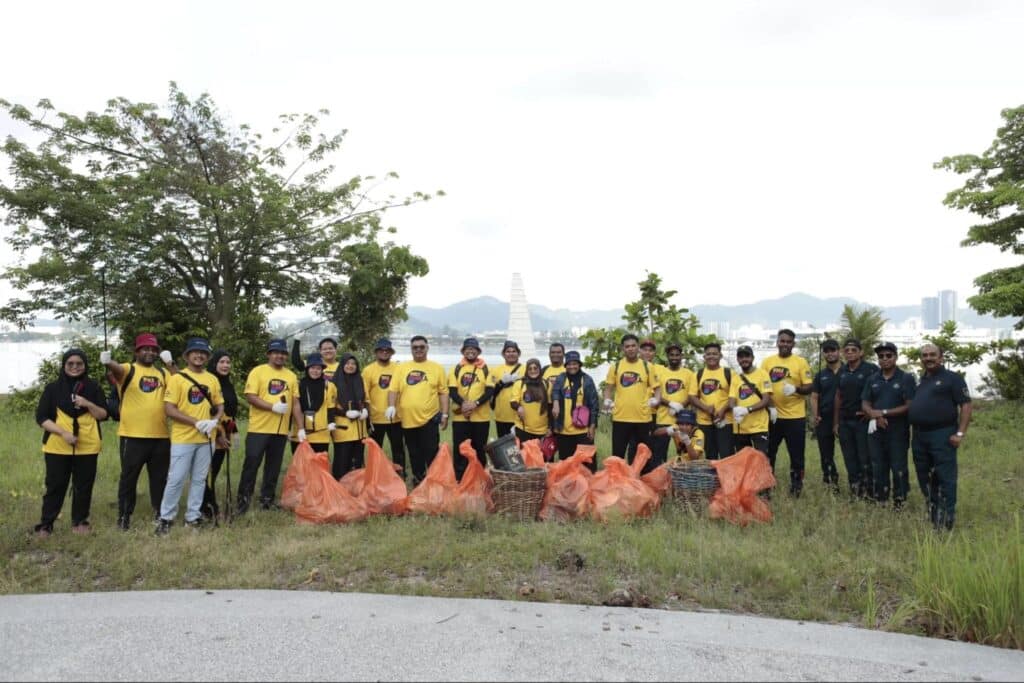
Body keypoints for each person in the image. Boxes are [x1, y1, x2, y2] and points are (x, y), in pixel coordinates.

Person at [100, 332, 177, 530]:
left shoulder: (162, 373)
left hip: (160, 436)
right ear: (137, 351)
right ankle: (124, 517)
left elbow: (181, 382)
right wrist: (108, 362)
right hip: (132, 436)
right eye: (146, 349)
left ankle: (161, 514)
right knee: (128, 478)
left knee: (160, 479)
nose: (150, 352)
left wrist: (170, 363)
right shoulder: (129, 369)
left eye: (153, 349)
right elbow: (116, 370)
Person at [34, 348, 108, 537]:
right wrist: (64, 433)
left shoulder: (93, 387)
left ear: (85, 365)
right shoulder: (53, 388)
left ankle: (80, 521)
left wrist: (87, 403)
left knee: (83, 486)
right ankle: (46, 524)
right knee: (55, 486)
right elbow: (41, 418)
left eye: (79, 364)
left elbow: (103, 415)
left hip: (88, 446)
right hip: (57, 446)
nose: (75, 367)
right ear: (64, 365)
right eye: (70, 364)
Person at [156, 337, 224, 535]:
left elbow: (219, 405)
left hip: (207, 439)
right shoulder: (178, 378)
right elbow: (169, 408)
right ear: (187, 356)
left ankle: (192, 517)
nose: (199, 355)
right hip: (183, 438)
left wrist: (215, 421)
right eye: (195, 352)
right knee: (176, 479)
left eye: (203, 353)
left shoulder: (212, 379)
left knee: (199, 480)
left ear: (207, 357)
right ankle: (166, 518)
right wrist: (195, 422)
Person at [908, 343, 972, 530]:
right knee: (925, 477)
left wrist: (960, 433)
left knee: (945, 477)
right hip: (919, 436)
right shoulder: (921, 381)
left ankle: (946, 520)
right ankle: (934, 514)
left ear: (941, 357)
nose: (928, 358)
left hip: (942, 435)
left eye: (932, 355)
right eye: (925, 355)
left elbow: (966, 406)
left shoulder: (952, 379)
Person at [237, 338, 302, 514]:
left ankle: (267, 500)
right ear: (269, 354)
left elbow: (295, 403)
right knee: (251, 466)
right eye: (276, 352)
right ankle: (243, 502)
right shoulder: (258, 372)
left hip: (280, 431)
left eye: (283, 353)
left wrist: (301, 427)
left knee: (273, 468)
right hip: (259, 429)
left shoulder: (291, 376)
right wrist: (272, 406)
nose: (279, 356)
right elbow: (251, 396)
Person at [387, 335, 449, 485]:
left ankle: (434, 481)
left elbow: (443, 392)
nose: (418, 350)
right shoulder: (401, 368)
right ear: (411, 349)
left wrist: (445, 414)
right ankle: (418, 479)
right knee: (414, 453)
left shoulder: (437, 368)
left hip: (429, 418)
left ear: (427, 348)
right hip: (407, 419)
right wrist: (391, 406)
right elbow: (393, 389)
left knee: (431, 451)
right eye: (415, 347)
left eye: (422, 347)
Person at [861, 342, 916, 508]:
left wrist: (883, 413)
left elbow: (909, 405)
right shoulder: (872, 379)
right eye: (881, 356)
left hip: (897, 431)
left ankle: (900, 501)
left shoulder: (906, 378)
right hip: (876, 430)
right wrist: (874, 415)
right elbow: (865, 403)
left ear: (895, 357)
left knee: (898, 466)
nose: (884, 359)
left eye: (888, 355)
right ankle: (881, 499)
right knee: (878, 465)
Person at [761, 329, 814, 496]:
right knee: (769, 453)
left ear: (793, 344)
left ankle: (796, 487)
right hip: (773, 417)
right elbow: (762, 386)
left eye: (788, 342)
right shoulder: (767, 362)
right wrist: (770, 406)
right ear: (777, 342)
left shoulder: (801, 362)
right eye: (782, 341)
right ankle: (767, 484)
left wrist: (796, 389)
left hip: (795, 418)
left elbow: (809, 387)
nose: (784, 344)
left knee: (796, 455)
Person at [603, 333, 661, 472]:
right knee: (618, 454)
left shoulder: (648, 366)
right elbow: (609, 388)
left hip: (643, 418)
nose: (630, 349)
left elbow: (657, 387)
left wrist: (656, 399)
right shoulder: (616, 366)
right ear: (623, 349)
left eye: (633, 345)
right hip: (620, 417)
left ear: (638, 348)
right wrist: (607, 400)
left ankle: (643, 484)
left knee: (643, 455)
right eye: (627, 346)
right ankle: (617, 483)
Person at [833, 338, 879, 499]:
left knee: (865, 458)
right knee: (849, 458)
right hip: (845, 421)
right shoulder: (842, 371)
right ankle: (856, 493)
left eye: (854, 350)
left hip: (863, 421)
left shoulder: (871, 369)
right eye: (847, 350)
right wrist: (836, 422)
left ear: (861, 352)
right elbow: (838, 396)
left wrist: (872, 413)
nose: (850, 353)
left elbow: (878, 392)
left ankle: (870, 493)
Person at [448, 337, 495, 480]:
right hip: (460, 417)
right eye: (468, 349)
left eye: (473, 349)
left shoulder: (486, 369)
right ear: (463, 351)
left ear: (478, 351)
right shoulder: (456, 369)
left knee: (479, 448)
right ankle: (460, 478)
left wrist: (475, 403)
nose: (470, 351)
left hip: (481, 418)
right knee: (460, 449)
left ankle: (480, 478)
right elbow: (452, 390)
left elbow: (489, 391)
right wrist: (464, 404)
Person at [201, 349, 238, 522]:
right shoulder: (209, 382)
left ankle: (208, 506)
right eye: (222, 362)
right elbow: (207, 411)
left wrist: (233, 434)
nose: (225, 365)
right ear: (214, 363)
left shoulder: (228, 383)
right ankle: (210, 509)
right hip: (211, 433)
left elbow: (231, 411)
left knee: (213, 474)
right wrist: (217, 436)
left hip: (226, 432)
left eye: (228, 362)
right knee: (204, 475)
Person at [649, 342, 697, 469]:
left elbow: (692, 394)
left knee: (684, 454)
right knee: (659, 456)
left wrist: (681, 406)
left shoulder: (689, 374)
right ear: (667, 356)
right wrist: (670, 403)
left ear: (681, 356)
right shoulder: (661, 373)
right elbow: (656, 393)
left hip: (683, 422)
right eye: (671, 355)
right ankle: (659, 483)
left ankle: (682, 482)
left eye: (677, 355)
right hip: (663, 419)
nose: (674, 357)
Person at [549, 350, 599, 471]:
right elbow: (555, 391)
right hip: (564, 430)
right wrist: (555, 403)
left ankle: (589, 487)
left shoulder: (587, 380)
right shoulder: (561, 378)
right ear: (565, 365)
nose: (572, 366)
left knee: (587, 463)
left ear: (579, 365)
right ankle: (568, 487)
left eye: (575, 363)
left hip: (582, 431)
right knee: (566, 465)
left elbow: (594, 404)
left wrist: (592, 426)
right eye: (569, 364)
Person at [362, 338, 405, 474]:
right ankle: (375, 474)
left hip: (396, 417)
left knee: (398, 448)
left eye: (387, 350)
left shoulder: (399, 368)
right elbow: (365, 395)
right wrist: (368, 417)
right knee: (375, 449)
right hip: (376, 418)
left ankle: (400, 473)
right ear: (376, 352)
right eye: (381, 350)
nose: (384, 352)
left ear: (391, 352)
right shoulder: (368, 370)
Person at [689, 342, 735, 460]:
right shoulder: (698, 374)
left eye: (715, 354)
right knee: (710, 456)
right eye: (708, 354)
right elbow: (692, 397)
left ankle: (727, 478)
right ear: (704, 357)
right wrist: (706, 408)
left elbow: (734, 396)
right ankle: (713, 479)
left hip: (725, 421)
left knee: (727, 455)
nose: (711, 356)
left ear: (720, 356)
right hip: (704, 422)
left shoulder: (729, 373)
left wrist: (723, 410)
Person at [810, 339, 842, 492]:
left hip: (846, 418)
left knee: (853, 453)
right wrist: (815, 415)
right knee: (826, 454)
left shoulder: (848, 371)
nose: (830, 354)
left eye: (833, 350)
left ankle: (859, 485)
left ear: (839, 351)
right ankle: (830, 481)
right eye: (827, 351)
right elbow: (814, 397)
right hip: (824, 418)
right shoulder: (821, 375)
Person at [729, 346, 774, 455]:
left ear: (753, 358)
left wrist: (747, 410)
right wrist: (735, 410)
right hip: (740, 427)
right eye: (741, 357)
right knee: (744, 461)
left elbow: (766, 399)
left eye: (747, 356)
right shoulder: (736, 378)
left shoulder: (763, 374)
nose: (744, 359)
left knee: (760, 459)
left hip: (759, 427)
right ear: (737, 359)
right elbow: (731, 400)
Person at [294, 352, 339, 457]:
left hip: (321, 434)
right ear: (307, 369)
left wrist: (331, 422)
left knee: (320, 465)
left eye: (318, 368)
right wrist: (297, 430)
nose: (315, 371)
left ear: (322, 370)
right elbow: (295, 407)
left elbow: (331, 407)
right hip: (301, 433)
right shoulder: (298, 384)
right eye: (312, 368)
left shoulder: (329, 385)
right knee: (302, 466)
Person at [333, 353, 368, 478]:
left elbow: (365, 399)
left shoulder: (360, 380)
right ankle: (340, 485)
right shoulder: (334, 383)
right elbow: (330, 406)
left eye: (353, 364)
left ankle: (355, 486)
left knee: (357, 459)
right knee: (342, 459)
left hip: (359, 428)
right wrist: (345, 413)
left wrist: (365, 410)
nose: (350, 366)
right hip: (343, 428)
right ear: (342, 365)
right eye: (347, 363)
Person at [509, 358, 552, 443]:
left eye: (535, 368)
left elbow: (550, 407)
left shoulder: (547, 384)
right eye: (530, 368)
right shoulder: (519, 383)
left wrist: (550, 427)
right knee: (524, 455)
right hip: (523, 429)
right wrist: (519, 407)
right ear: (526, 370)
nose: (533, 371)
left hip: (542, 430)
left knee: (541, 456)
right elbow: (513, 402)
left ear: (539, 369)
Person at [491, 340, 523, 438]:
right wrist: (501, 383)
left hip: (520, 416)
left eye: (514, 351)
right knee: (504, 448)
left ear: (519, 353)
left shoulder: (525, 369)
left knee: (521, 448)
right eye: (508, 351)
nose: (511, 354)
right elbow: (491, 391)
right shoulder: (495, 370)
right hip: (501, 416)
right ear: (503, 354)